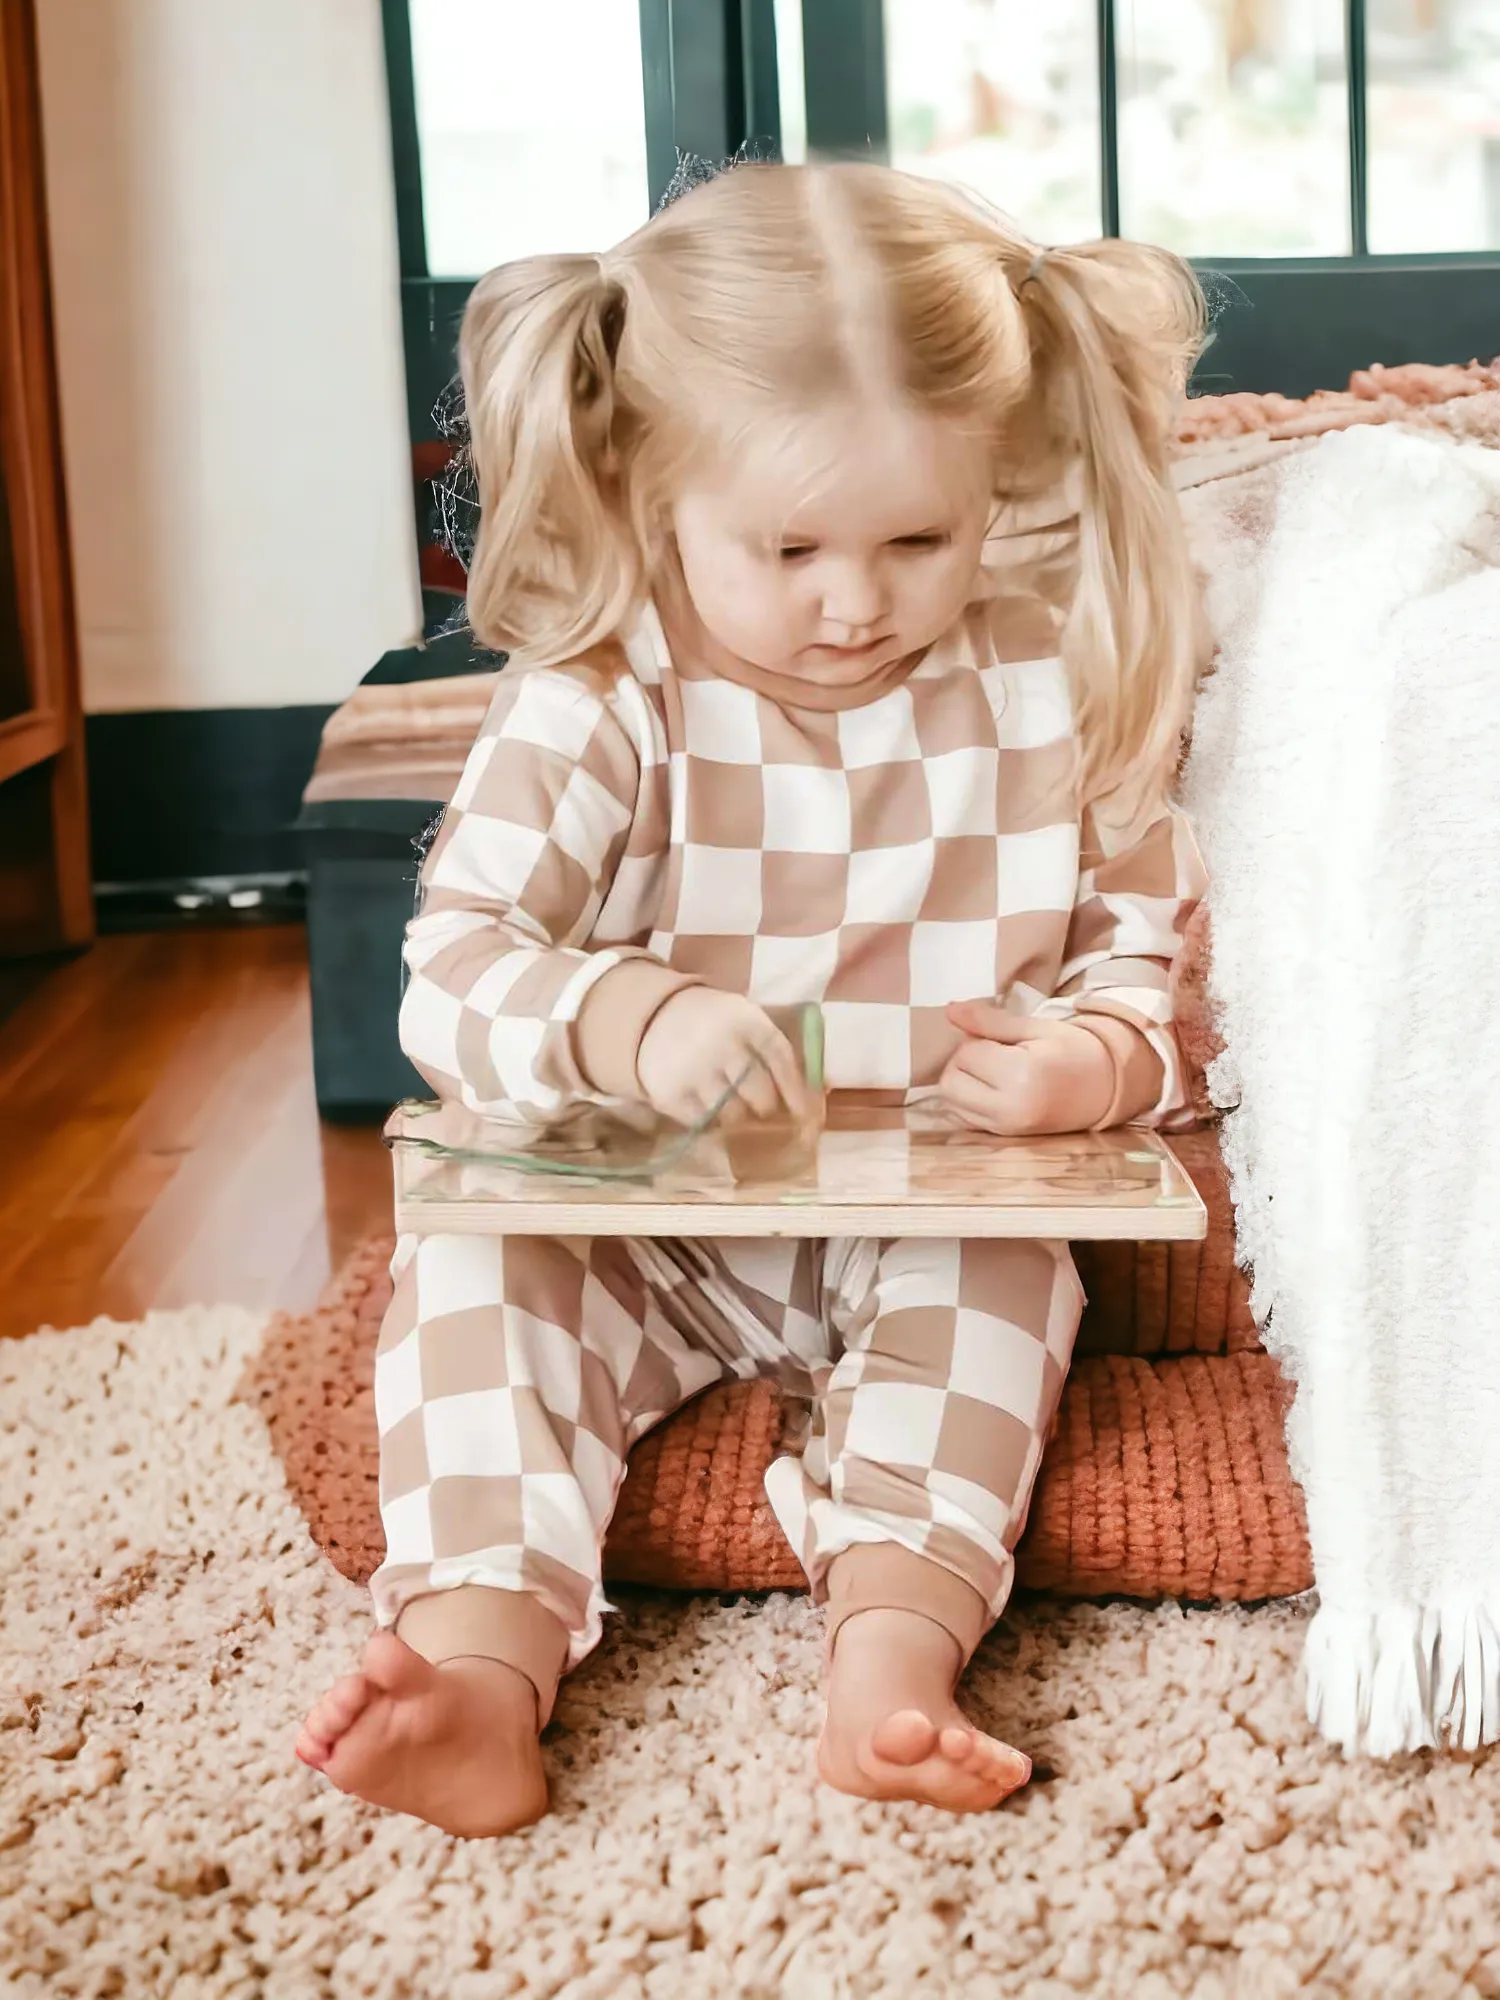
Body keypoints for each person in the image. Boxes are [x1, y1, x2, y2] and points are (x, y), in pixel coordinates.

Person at [296, 160, 1208, 1836]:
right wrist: (628, 1020)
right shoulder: (602, 696)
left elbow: (1140, 961)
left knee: (1004, 1297)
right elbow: (455, 973)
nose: (856, 604)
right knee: (480, 1297)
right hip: (636, 1211)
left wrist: (1094, 1059)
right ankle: (476, 1676)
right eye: (788, 547)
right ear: (653, 492)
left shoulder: (1047, 677)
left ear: (992, 484)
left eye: (917, 540)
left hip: (928, 1194)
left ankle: (894, 1672)